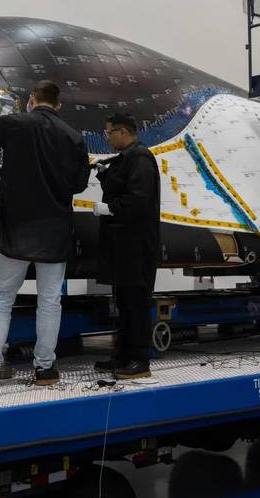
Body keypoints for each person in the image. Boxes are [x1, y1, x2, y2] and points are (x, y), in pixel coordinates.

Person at [0, 80, 90, 388]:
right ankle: (45, 370)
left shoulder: (14, 123)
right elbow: (79, 184)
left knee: (1, 299)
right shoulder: (73, 137)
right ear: (58, 105)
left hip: (15, 231)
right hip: (55, 232)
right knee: (49, 303)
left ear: (32, 100)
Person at [92, 112, 161, 379]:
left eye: (109, 133)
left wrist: (109, 208)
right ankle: (122, 355)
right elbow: (122, 186)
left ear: (123, 131)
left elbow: (138, 199)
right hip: (122, 246)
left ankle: (140, 360)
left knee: (136, 304)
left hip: (136, 246)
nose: (107, 138)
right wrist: (104, 176)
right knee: (123, 303)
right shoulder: (127, 158)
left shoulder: (141, 158)